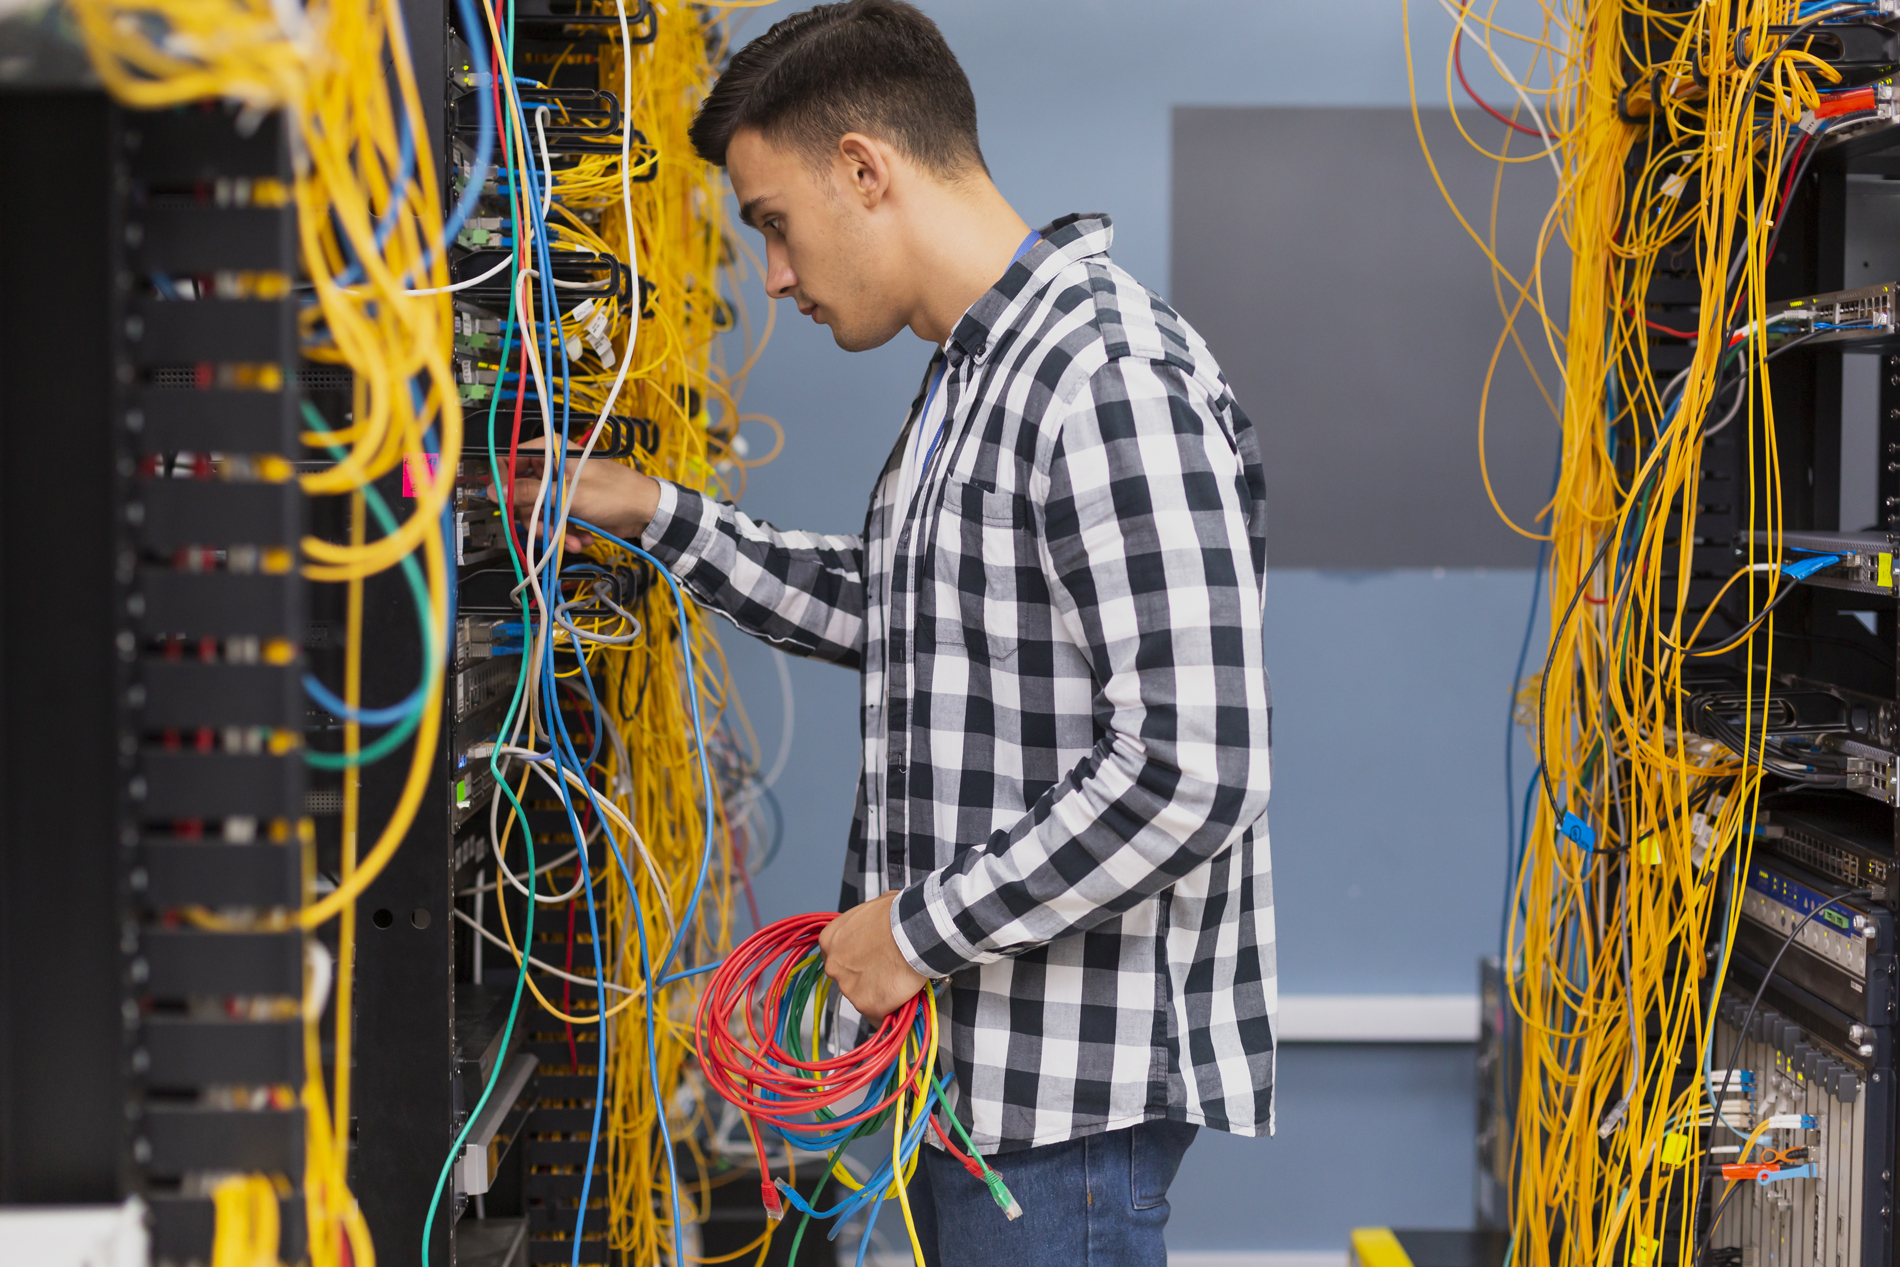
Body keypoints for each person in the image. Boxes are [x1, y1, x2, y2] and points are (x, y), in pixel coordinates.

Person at [519, 3, 1275, 1262]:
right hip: (968, 1093)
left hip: (1059, 1118)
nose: (772, 274)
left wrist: (911, 932)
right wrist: (649, 513)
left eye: (772, 222)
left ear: (864, 169)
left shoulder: (1104, 374)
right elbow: (908, 611)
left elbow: (1193, 767)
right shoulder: (978, 373)